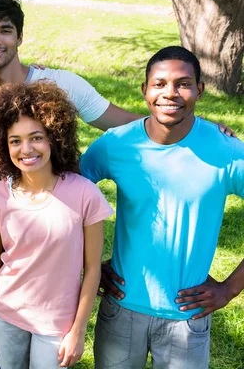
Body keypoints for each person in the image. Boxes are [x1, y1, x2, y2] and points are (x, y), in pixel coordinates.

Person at [80, 46, 244, 368]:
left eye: (183, 83)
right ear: (145, 90)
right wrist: (89, 266)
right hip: (121, 309)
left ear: (200, 90)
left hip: (187, 318)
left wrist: (229, 288)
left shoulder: (226, 151)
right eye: (159, 84)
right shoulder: (117, 144)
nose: (170, 93)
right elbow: (65, 198)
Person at [0, 82, 114, 368]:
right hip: (6, 313)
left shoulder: (85, 194)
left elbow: (92, 270)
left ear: (54, 137)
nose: (26, 149)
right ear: (3, 144)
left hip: (56, 322)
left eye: (36, 137)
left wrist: (78, 330)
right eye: (15, 140)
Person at [0, 0, 141, 131]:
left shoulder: (59, 84)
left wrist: (166, 127)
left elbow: (124, 123)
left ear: (19, 37)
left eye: (5, 30)